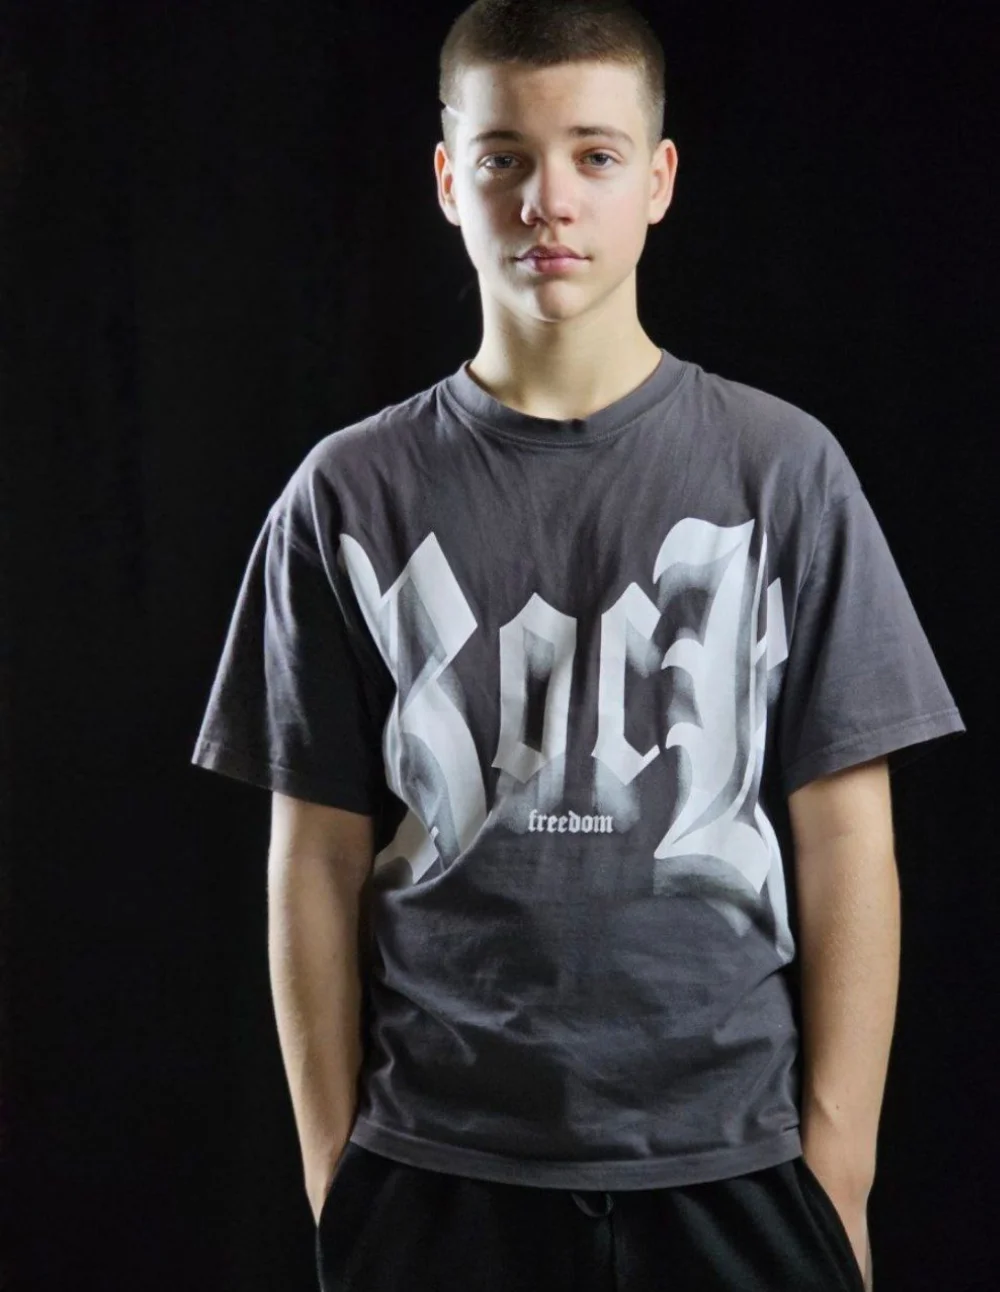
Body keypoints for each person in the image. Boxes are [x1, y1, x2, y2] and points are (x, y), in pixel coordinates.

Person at [190, 2, 966, 1288]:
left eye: (594, 155)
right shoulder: (346, 494)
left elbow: (845, 839)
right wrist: (339, 1177)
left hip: (736, 1165)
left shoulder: (785, 470)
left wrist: (839, 1169)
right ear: (450, 180)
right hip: (439, 1169)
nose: (547, 198)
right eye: (504, 155)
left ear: (657, 180)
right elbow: (314, 856)